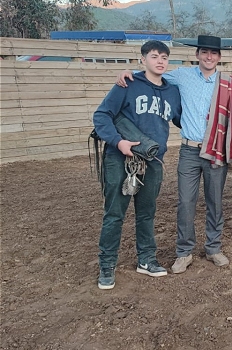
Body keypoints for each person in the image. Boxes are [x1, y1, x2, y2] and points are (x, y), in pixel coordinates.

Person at [117, 35, 232, 273]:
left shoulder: (227, 83)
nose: (209, 56)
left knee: (215, 201)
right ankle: (184, 252)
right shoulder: (181, 76)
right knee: (185, 202)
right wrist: (129, 73)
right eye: (204, 52)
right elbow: (154, 76)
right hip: (190, 150)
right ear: (197, 55)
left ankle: (213, 248)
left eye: (213, 53)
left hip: (216, 150)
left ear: (219, 57)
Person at [93, 40, 182, 289]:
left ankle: (146, 260)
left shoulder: (172, 92)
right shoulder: (127, 84)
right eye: (155, 56)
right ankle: (107, 265)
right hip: (121, 157)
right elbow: (102, 115)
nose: (160, 61)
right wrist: (118, 142)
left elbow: (182, 119)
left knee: (146, 213)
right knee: (114, 214)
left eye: (164, 57)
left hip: (152, 160)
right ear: (143, 59)